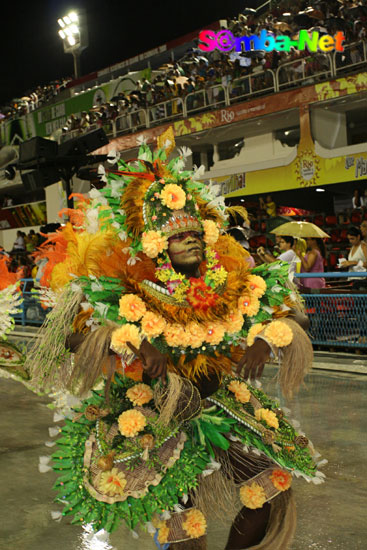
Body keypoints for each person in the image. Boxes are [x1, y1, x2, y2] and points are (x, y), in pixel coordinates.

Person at [27, 133, 321, 550]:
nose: (191, 240)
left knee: (270, 487)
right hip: (160, 410)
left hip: (218, 399)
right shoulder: (131, 284)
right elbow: (74, 334)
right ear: (158, 245)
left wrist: (269, 339)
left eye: (196, 234)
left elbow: (296, 313)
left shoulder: (232, 282)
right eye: (179, 236)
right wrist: (132, 342)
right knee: (182, 522)